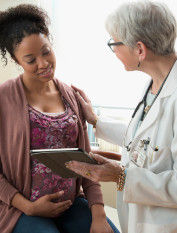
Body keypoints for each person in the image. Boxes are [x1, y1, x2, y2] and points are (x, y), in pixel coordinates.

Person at [0, 4, 119, 233]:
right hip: (22, 208)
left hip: (70, 204)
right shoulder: (4, 99)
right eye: (30, 59)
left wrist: (99, 214)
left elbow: (87, 163)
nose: (43, 64)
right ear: (17, 62)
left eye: (46, 51)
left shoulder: (72, 95)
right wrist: (29, 207)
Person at [67, 1, 177, 233]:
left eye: (114, 43)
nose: (114, 50)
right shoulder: (157, 83)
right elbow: (146, 140)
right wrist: (96, 121)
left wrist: (121, 177)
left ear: (140, 50)